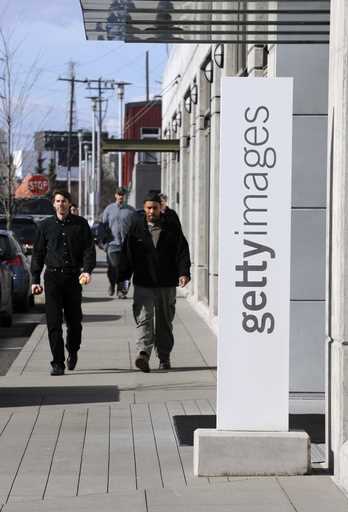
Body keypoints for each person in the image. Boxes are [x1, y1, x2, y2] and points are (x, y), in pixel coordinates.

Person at [118, 192, 191, 372]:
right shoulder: (136, 227)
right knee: (144, 319)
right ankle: (143, 353)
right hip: (144, 282)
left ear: (160, 208)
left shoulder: (171, 226)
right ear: (144, 209)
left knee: (165, 321)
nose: (151, 211)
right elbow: (127, 254)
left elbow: (182, 251)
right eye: (148, 208)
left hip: (166, 283)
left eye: (155, 208)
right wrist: (123, 278)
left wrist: (183, 273)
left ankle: (164, 357)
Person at [31, 189, 96, 376]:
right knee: (53, 322)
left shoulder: (80, 224)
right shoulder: (45, 226)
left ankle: (73, 350)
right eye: (58, 201)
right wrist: (35, 279)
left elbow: (89, 250)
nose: (61, 204)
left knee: (75, 322)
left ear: (69, 204)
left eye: (64, 201)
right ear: (54, 204)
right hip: (52, 278)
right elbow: (38, 253)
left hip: (73, 278)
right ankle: (57, 363)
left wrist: (87, 270)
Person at [102, 187, 135, 298]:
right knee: (114, 268)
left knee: (127, 270)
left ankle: (122, 291)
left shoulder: (131, 211)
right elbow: (103, 227)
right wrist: (104, 243)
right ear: (115, 195)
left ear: (125, 196)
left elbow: (136, 228)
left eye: (123, 194)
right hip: (112, 245)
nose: (121, 196)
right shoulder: (109, 209)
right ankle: (112, 284)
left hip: (127, 246)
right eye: (119, 194)